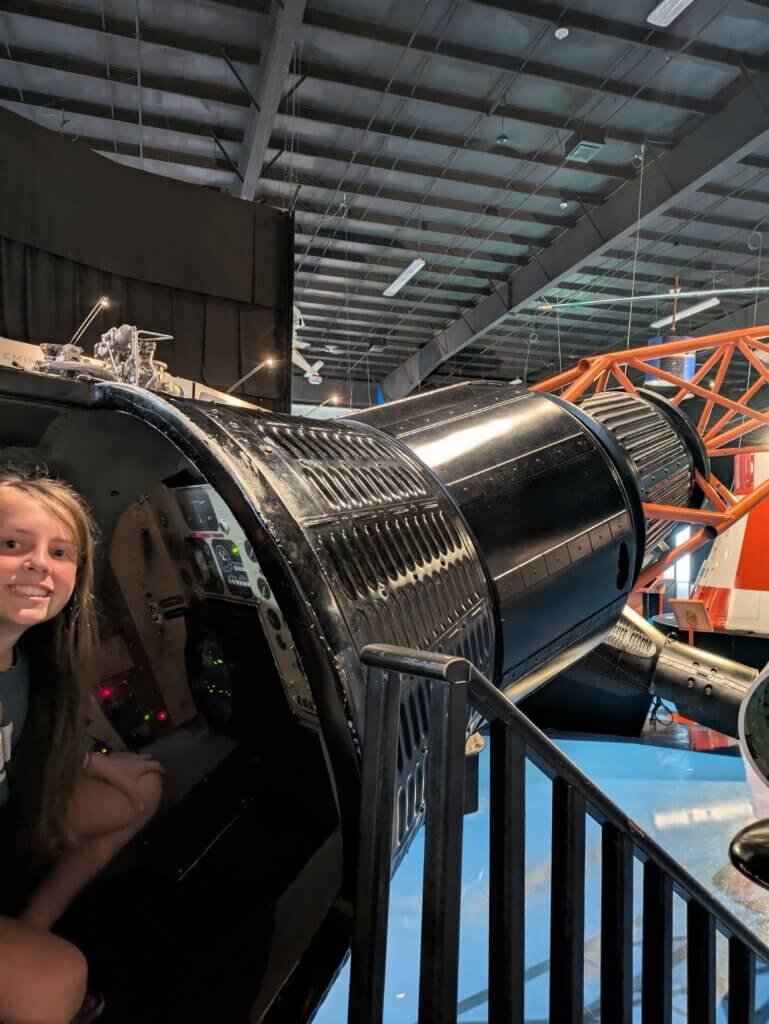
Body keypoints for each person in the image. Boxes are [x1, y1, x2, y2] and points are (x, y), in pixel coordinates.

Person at [0, 467, 164, 1023]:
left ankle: (30, 930)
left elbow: (19, 746)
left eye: (61, 552)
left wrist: (93, 762)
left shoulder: (25, 660)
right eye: (12, 544)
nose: (39, 565)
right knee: (60, 980)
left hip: (8, 819)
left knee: (138, 788)